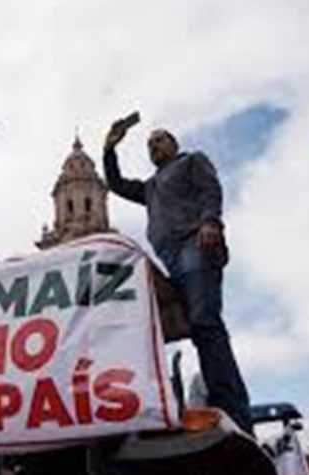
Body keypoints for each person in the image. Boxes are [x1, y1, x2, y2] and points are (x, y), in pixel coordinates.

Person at [103, 121, 252, 433]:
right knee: (198, 328)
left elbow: (210, 190)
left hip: (195, 241)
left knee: (205, 323)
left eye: (159, 140)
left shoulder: (191, 161)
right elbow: (116, 185)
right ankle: (218, 406)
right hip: (170, 256)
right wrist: (109, 149)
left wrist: (211, 222)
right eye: (149, 144)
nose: (154, 146)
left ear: (174, 144)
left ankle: (234, 413)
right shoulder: (150, 188)